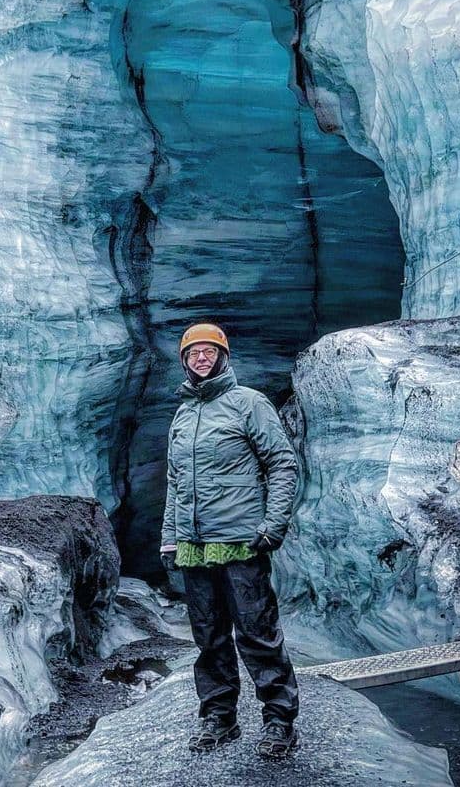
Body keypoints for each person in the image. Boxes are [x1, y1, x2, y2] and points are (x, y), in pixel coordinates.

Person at [160, 322, 300, 759]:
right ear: (184, 360)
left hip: (242, 541)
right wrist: (170, 538)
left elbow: (282, 463)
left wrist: (272, 524)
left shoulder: (248, 404)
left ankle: (279, 721)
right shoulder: (183, 415)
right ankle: (219, 717)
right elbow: (174, 482)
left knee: (257, 633)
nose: (201, 358)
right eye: (193, 353)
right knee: (209, 636)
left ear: (223, 356)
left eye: (209, 351)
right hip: (194, 545)